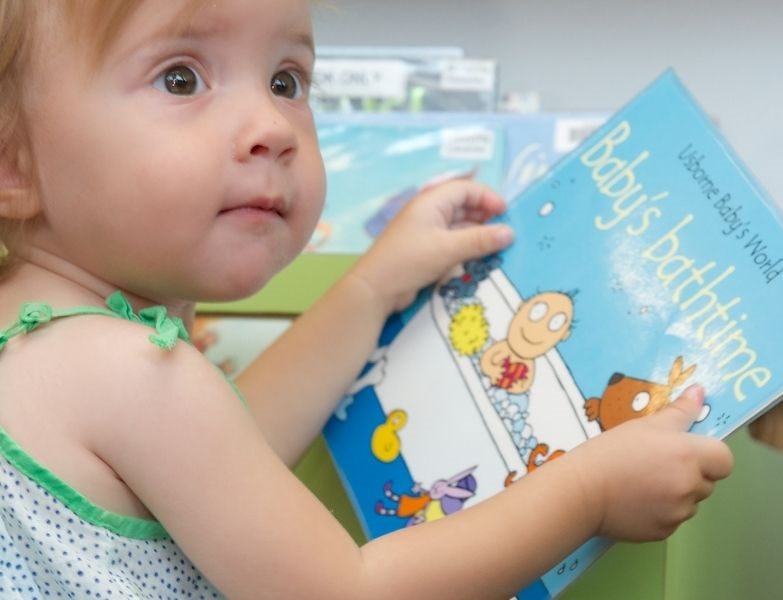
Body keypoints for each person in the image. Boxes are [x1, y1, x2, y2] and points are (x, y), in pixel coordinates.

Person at [0, 1, 734, 598]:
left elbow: (229, 454)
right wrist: (591, 494)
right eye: (182, 79)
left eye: (287, 81)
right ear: (12, 160)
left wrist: (371, 288)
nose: (271, 128)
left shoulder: (53, 340)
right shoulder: (133, 371)